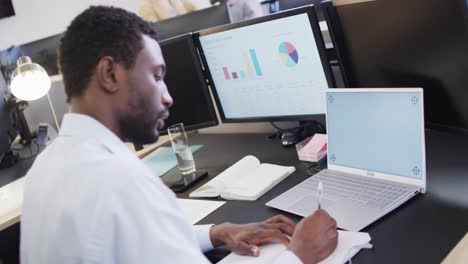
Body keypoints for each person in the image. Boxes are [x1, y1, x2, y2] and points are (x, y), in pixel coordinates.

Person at [20, 6, 338, 264]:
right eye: (157, 76)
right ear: (110, 74)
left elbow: (134, 242)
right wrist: (300, 254)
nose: (168, 96)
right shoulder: (119, 182)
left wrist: (217, 232)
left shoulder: (47, 167)